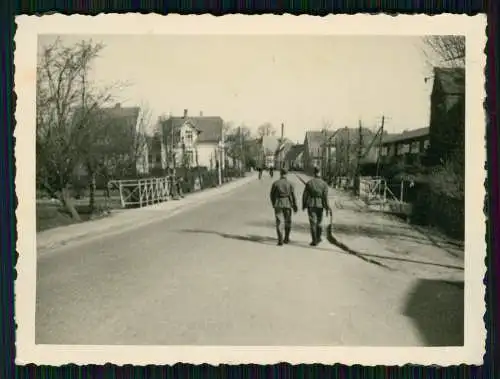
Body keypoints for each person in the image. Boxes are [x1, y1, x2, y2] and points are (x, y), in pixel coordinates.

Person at [302, 166, 332, 246]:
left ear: (314, 173)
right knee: (319, 222)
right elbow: (325, 197)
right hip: (320, 205)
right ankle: (318, 238)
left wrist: (304, 205)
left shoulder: (309, 183)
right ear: (320, 172)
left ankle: (314, 240)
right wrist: (327, 207)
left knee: (313, 223)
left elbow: (305, 195)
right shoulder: (324, 184)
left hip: (311, 204)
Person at [270, 168, 298, 246]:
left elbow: (271, 195)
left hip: (278, 203)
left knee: (279, 222)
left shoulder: (275, 183)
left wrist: (274, 203)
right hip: (288, 204)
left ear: (280, 173)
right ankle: (286, 238)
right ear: (287, 174)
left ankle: (280, 239)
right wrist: (295, 205)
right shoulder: (290, 183)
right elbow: (293, 196)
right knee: (288, 221)